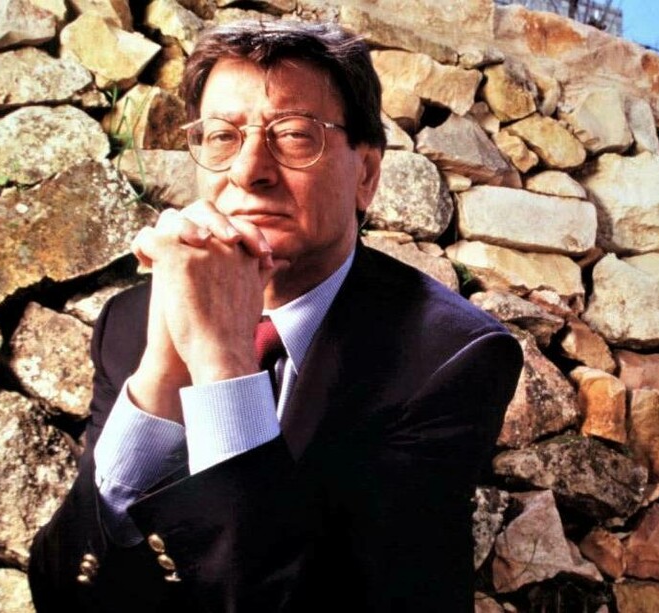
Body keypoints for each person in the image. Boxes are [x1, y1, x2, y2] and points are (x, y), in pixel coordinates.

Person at [28, 19, 523, 612]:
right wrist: (164, 370)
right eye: (221, 137)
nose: (247, 171)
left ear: (365, 174)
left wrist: (221, 361)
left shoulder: (451, 357)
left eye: (292, 135)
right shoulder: (130, 323)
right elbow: (64, 589)